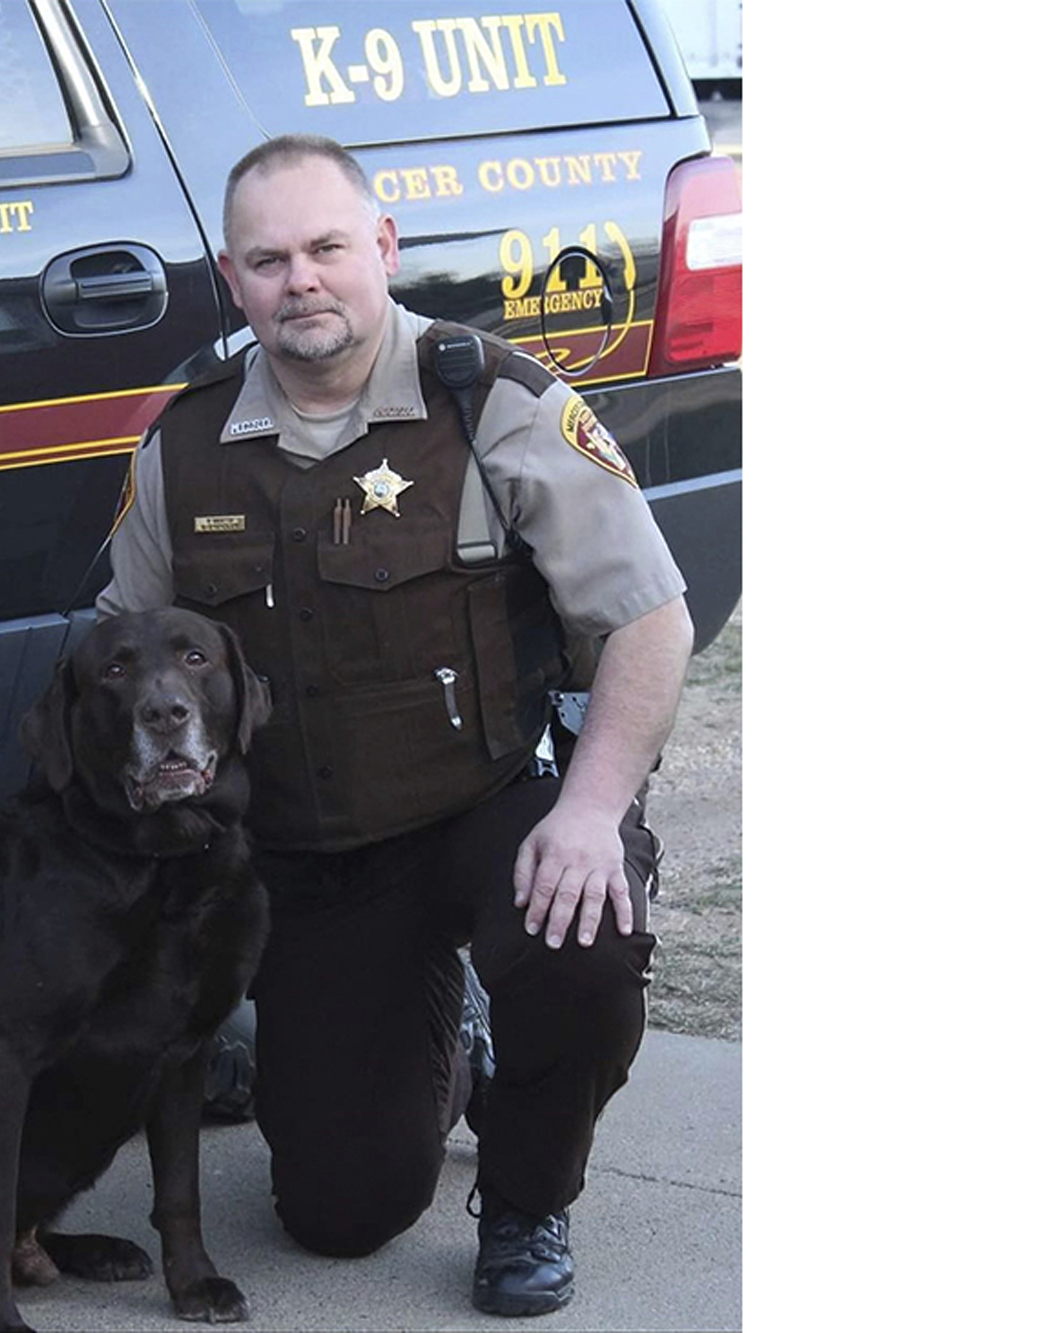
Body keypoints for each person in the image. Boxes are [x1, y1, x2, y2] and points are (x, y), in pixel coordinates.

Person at [96, 134, 693, 1318]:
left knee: (580, 933)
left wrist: (587, 813)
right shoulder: (184, 442)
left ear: (381, 246)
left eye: (325, 247)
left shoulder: (493, 403)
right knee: (337, 1213)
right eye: (267, 260)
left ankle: (526, 1193)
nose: (299, 280)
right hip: (313, 860)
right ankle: (445, 1044)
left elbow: (648, 621)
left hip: (489, 807)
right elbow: (121, 649)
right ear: (232, 277)